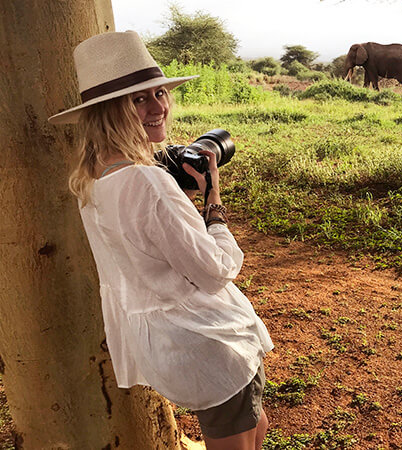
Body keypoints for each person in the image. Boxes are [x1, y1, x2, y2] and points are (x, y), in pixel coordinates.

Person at [48, 31, 273, 450]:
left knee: (254, 424)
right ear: (109, 111)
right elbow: (216, 270)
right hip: (209, 341)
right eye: (139, 99)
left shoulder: (92, 178)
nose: (159, 107)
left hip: (169, 344)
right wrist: (213, 202)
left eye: (160, 93)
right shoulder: (147, 181)